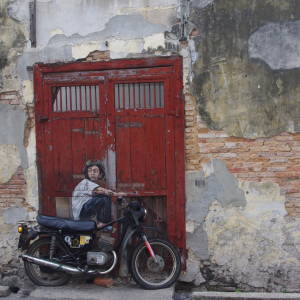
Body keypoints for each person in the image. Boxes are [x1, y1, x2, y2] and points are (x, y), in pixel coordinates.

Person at [72, 159, 124, 228]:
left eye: (95, 171)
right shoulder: (85, 182)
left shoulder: (92, 185)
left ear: (100, 175)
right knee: (104, 198)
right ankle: (103, 224)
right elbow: (102, 190)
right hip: (81, 212)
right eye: (89, 171)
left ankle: (102, 224)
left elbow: (99, 191)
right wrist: (117, 194)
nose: (92, 173)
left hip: (84, 212)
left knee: (102, 197)